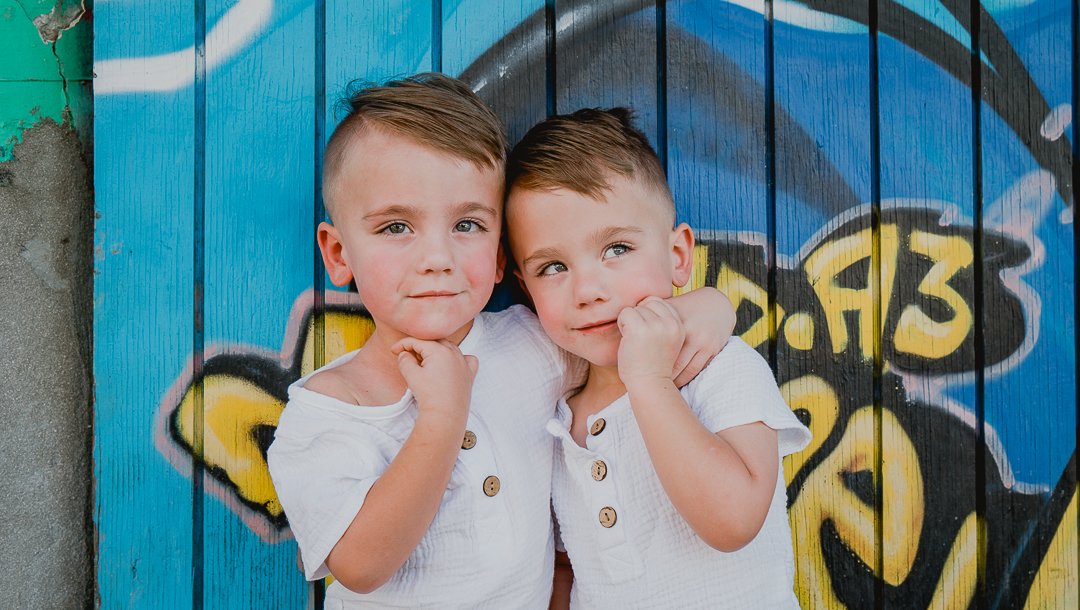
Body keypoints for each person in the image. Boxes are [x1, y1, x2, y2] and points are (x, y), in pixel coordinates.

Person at [266, 74, 734, 608]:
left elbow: (615, 334)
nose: (436, 257)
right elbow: (360, 565)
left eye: (467, 225)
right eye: (396, 227)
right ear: (339, 253)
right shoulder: (329, 409)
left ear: (499, 258)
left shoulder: (534, 347)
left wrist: (708, 306)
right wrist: (442, 417)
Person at [504, 107, 812, 609]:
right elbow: (564, 568)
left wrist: (649, 382)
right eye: (553, 266)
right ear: (524, 285)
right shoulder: (556, 413)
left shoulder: (720, 369)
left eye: (617, 248)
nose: (588, 289)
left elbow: (734, 522)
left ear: (678, 256)